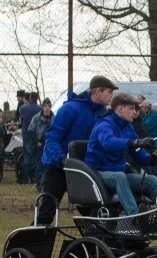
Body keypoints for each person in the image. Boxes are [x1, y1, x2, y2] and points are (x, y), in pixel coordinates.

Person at [84, 92, 157, 224]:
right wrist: (133, 142)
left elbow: (139, 155)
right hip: (98, 173)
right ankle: (136, 218)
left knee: (151, 180)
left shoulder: (128, 128)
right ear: (120, 109)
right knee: (120, 176)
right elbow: (108, 142)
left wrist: (152, 158)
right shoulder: (104, 124)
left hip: (118, 174)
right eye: (131, 108)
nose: (135, 112)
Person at [35, 75, 116, 225]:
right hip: (58, 167)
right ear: (98, 91)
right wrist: (61, 158)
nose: (112, 96)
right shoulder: (71, 109)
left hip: (82, 169)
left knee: (93, 212)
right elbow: (52, 137)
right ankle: (33, 244)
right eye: (109, 92)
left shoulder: (102, 114)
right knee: (47, 212)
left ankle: (90, 245)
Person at [29, 98, 54, 191]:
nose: (47, 108)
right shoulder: (36, 118)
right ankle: (39, 184)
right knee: (40, 165)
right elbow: (31, 131)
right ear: (43, 107)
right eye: (45, 106)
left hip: (50, 145)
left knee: (49, 166)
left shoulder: (54, 118)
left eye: (49, 106)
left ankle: (47, 184)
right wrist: (37, 142)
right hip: (40, 144)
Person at [19, 91, 41, 184]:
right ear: (37, 98)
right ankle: (35, 177)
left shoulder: (23, 108)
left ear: (30, 97)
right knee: (36, 157)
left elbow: (21, 120)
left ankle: (24, 177)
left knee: (27, 156)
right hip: (36, 135)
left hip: (26, 134)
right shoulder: (40, 109)